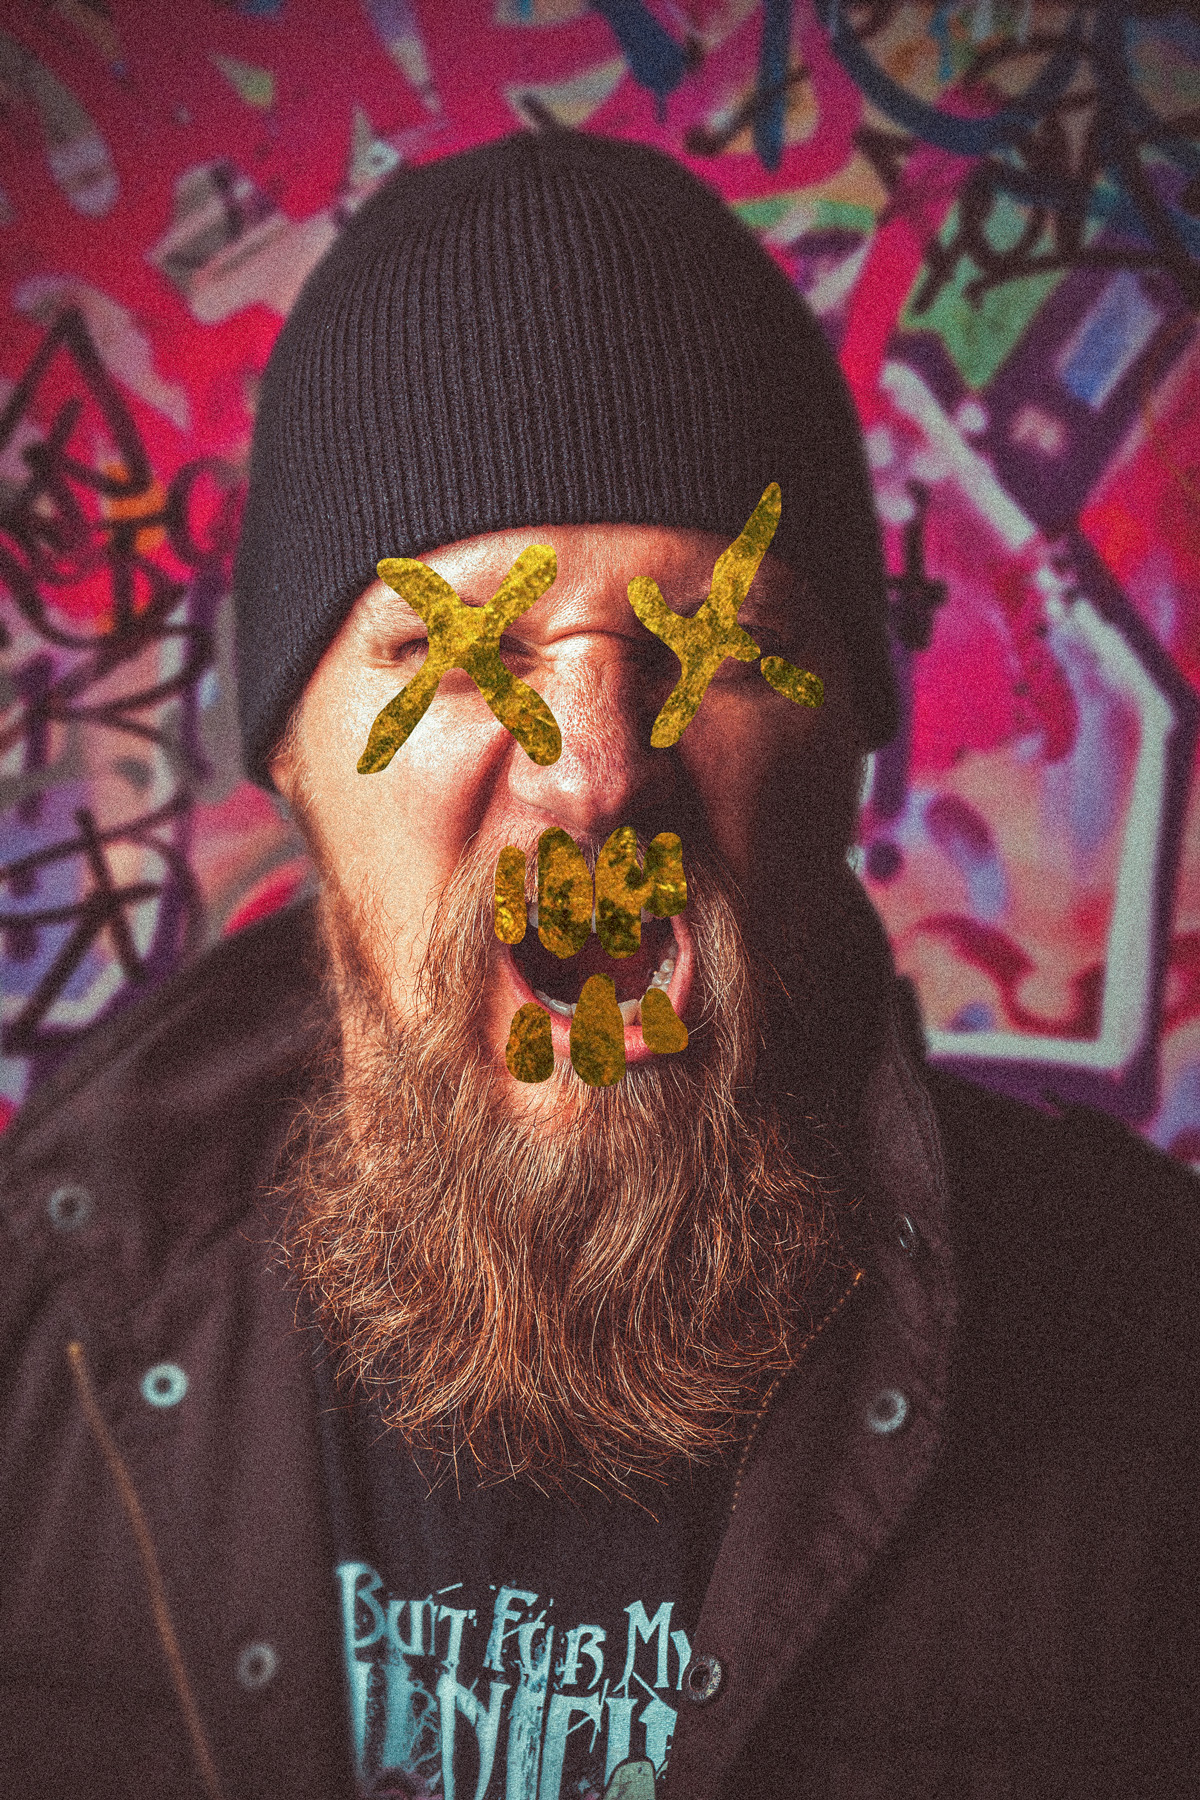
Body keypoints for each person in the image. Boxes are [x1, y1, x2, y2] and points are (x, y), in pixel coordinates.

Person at [1, 128, 1196, 1800]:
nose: (596, 768)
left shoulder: (1158, 1367)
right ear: (292, 756)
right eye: (459, 651)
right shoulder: (32, 1366)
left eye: (720, 645)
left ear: (852, 735)